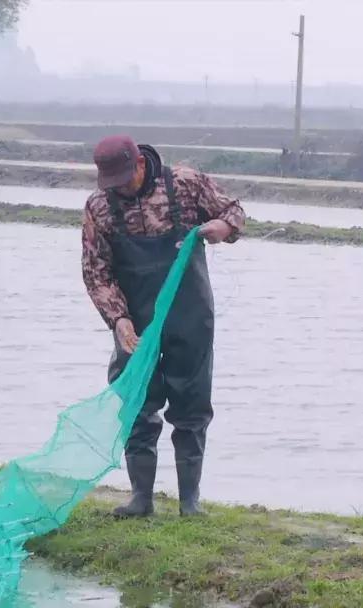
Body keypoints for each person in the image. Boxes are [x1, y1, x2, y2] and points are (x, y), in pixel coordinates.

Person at [80, 135, 245, 517]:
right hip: (135, 323)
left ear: (140, 164)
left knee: (192, 403)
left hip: (190, 314)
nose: (118, 188)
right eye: (111, 183)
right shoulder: (100, 207)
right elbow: (96, 273)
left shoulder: (185, 183)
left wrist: (222, 227)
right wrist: (118, 320)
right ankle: (142, 499)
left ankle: (190, 501)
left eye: (124, 179)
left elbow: (234, 212)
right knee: (136, 403)